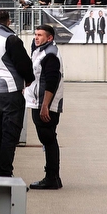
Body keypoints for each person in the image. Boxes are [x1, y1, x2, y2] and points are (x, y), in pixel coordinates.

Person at [0, 10, 34, 178]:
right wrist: (28, 79)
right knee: (10, 134)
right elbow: (23, 64)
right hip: (11, 91)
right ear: (8, 21)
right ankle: (5, 173)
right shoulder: (10, 39)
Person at [25, 23, 64, 190]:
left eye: (40, 35)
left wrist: (45, 106)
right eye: (35, 34)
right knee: (48, 139)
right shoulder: (41, 50)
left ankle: (51, 178)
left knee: (48, 140)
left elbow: (51, 82)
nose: (36, 37)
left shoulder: (50, 55)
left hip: (44, 104)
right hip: (39, 102)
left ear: (50, 38)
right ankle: (53, 177)